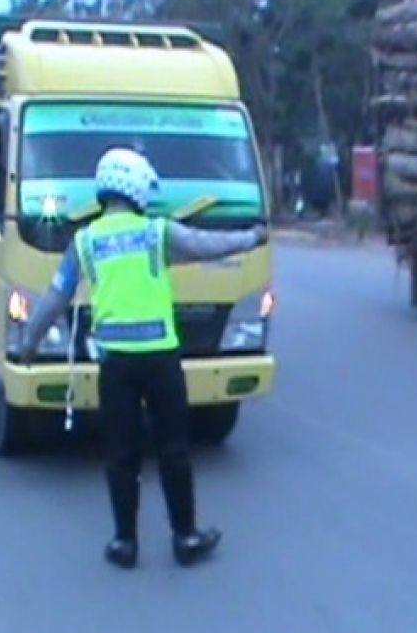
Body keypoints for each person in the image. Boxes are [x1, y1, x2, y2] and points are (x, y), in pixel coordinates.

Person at [20, 147, 267, 569]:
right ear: (136, 187)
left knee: (121, 453)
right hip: (160, 361)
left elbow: (53, 298)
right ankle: (185, 536)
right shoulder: (157, 233)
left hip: (114, 365)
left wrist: (29, 343)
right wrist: (252, 237)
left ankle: (124, 542)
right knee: (173, 449)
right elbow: (208, 246)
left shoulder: (84, 242)